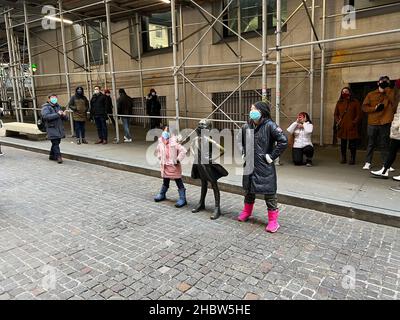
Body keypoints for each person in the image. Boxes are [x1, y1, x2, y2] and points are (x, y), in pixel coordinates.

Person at [237, 101, 288, 233]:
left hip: (264, 165)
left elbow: (283, 141)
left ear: (262, 111)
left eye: (254, 109)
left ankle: (273, 221)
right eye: (251, 109)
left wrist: (271, 156)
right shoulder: (246, 127)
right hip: (249, 164)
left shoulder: (270, 125)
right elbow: (240, 141)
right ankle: (246, 212)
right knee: (248, 190)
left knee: (269, 193)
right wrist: (243, 152)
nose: (251, 111)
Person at [190, 119, 228, 220]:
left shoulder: (209, 140)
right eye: (199, 124)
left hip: (208, 165)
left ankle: (217, 208)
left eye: (203, 125)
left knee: (214, 185)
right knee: (203, 184)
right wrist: (194, 155)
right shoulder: (196, 139)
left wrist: (213, 159)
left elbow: (223, 150)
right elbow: (191, 146)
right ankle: (201, 203)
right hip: (199, 164)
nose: (200, 126)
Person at [362, 76, 397, 170]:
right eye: (382, 82)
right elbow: (364, 107)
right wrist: (375, 108)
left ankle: (386, 164)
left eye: (386, 82)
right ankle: (368, 162)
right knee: (371, 143)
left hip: (384, 122)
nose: (384, 83)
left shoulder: (391, 92)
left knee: (384, 144)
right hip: (372, 122)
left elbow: (395, 104)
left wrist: (387, 90)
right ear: (378, 83)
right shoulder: (371, 94)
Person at [154, 126, 187, 207]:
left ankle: (183, 198)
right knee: (165, 180)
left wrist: (178, 159)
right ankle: (162, 194)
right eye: (164, 131)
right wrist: (160, 158)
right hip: (165, 166)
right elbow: (158, 151)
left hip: (174, 166)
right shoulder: (161, 142)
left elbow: (183, 150)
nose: (165, 133)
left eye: (167, 131)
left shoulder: (174, 143)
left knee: (178, 181)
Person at [371, 101, 400, 181]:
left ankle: (384, 170)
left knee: (392, 151)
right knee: (392, 151)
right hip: (396, 131)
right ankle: (384, 170)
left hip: (398, 129)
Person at [334, 87, 362, 165]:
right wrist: (338, 122)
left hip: (351, 126)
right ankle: (343, 158)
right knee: (343, 143)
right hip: (342, 126)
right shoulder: (339, 102)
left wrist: (354, 122)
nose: (344, 93)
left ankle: (352, 158)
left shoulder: (355, 102)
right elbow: (335, 114)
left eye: (346, 91)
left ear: (349, 92)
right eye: (343, 92)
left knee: (352, 144)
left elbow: (359, 114)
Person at [41, 94, 68, 164]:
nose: (54, 99)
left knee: (57, 142)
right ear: (49, 99)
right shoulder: (45, 107)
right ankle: (58, 156)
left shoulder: (58, 106)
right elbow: (46, 117)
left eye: (55, 98)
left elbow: (64, 118)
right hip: (51, 127)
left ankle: (51, 155)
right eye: (52, 98)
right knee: (55, 142)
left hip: (58, 127)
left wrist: (64, 115)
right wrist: (58, 114)